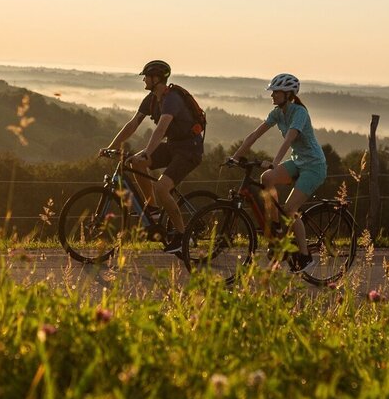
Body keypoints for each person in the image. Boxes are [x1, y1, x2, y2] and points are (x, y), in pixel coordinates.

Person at [102, 60, 205, 253]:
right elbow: (132, 125)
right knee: (135, 163)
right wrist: (110, 147)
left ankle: (182, 236)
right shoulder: (150, 100)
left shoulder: (171, 98)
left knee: (161, 187)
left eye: (146, 77)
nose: (143, 80)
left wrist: (147, 152)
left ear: (156, 79)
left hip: (189, 149)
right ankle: (154, 211)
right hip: (173, 146)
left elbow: (161, 128)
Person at [229, 73, 327, 273]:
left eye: (276, 92)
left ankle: (305, 256)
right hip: (299, 162)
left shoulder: (299, 112)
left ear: (288, 94)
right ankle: (276, 226)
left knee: (291, 209)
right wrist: (236, 157)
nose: (272, 95)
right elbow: (255, 134)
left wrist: (275, 162)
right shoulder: (277, 113)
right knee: (267, 178)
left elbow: (289, 139)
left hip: (314, 166)